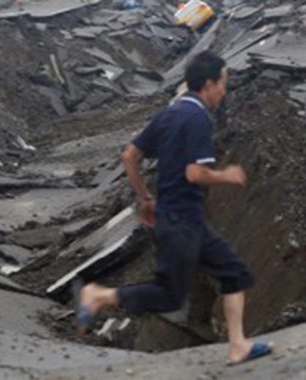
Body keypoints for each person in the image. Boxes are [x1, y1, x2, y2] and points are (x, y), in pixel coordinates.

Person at [74, 51, 273, 366]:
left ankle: (238, 346)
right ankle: (97, 296)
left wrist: (145, 199)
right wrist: (227, 175)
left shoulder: (170, 113)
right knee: (169, 295)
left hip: (178, 216)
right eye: (223, 84)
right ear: (208, 84)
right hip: (183, 221)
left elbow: (129, 156)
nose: (224, 91)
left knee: (234, 273)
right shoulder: (197, 118)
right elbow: (195, 173)